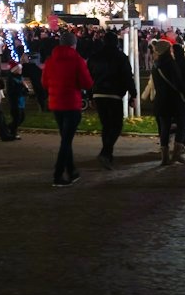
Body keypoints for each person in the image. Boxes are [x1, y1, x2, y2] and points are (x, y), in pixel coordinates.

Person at [42, 31, 92, 186]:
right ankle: (58, 174)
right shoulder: (77, 60)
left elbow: (44, 82)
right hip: (71, 103)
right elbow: (87, 82)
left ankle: (71, 171)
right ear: (73, 44)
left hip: (56, 104)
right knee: (66, 141)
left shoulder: (50, 60)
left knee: (65, 139)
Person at [86, 31, 133, 168]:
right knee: (116, 126)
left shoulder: (94, 57)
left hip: (99, 94)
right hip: (114, 94)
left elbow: (90, 78)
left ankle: (108, 155)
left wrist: (90, 95)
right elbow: (127, 76)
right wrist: (133, 94)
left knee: (106, 125)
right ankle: (105, 153)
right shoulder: (121, 57)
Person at [149, 40, 185, 165]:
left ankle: (164, 157)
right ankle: (176, 154)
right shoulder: (171, 64)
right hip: (174, 100)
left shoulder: (156, 65)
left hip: (161, 100)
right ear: (168, 50)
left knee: (164, 127)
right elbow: (178, 83)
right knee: (182, 124)